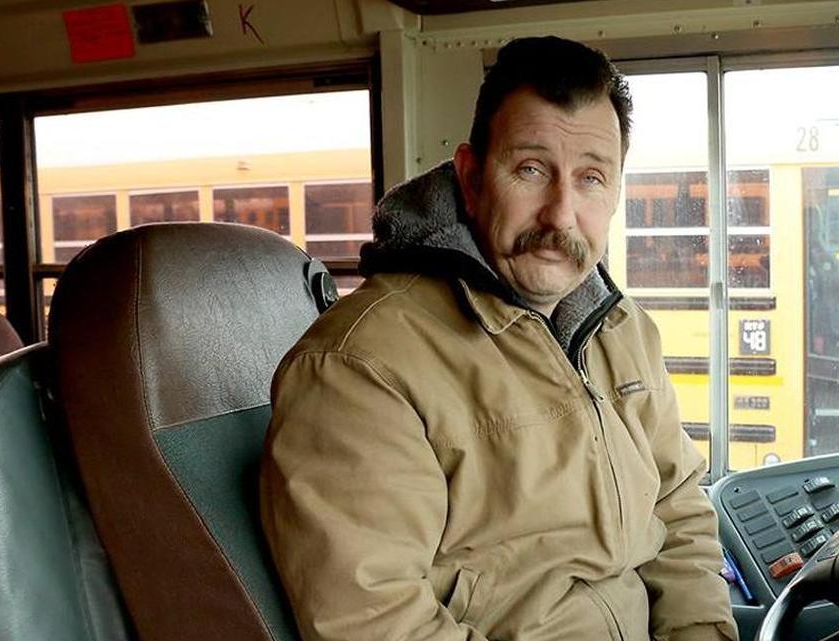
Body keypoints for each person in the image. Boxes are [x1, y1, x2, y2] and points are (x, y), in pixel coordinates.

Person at [260, 36, 739, 641]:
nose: (560, 215)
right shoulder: (359, 367)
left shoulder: (622, 330)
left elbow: (678, 510)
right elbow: (376, 622)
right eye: (531, 170)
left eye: (592, 178)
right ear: (471, 178)